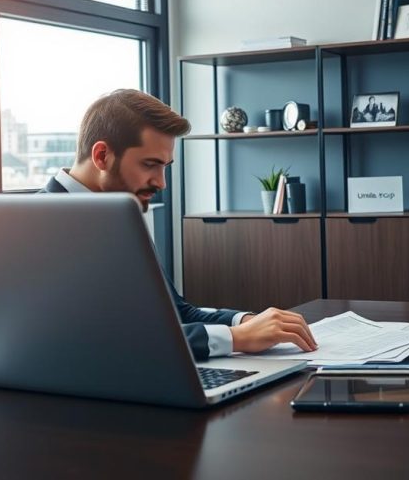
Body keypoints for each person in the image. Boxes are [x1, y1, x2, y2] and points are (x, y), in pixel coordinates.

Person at [39, 89, 318, 360]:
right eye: (150, 164)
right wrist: (236, 338)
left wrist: (246, 321)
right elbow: (89, 339)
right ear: (101, 156)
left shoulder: (123, 214)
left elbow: (175, 312)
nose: (161, 183)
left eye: (165, 166)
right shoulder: (35, 226)